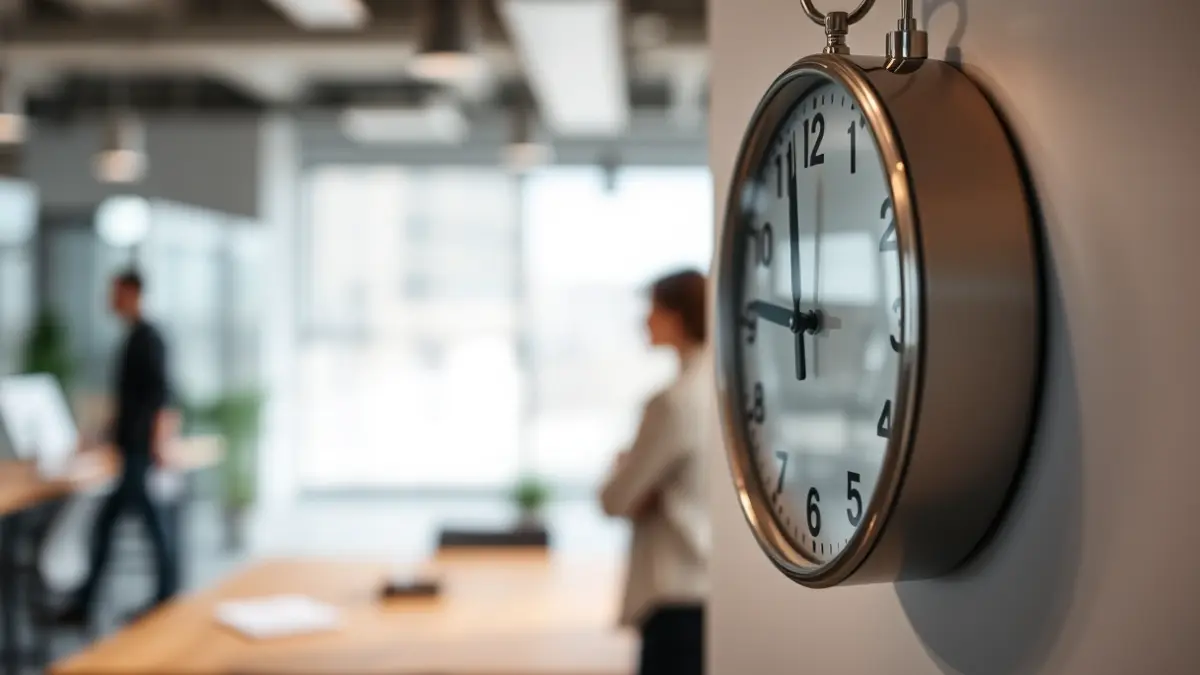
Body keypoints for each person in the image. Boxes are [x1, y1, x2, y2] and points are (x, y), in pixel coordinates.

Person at [600, 268, 713, 675]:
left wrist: (627, 470)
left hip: (675, 595)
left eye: (653, 308)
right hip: (709, 586)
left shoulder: (672, 403)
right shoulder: (720, 392)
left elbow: (614, 498)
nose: (644, 320)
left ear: (678, 315)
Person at [55, 269, 178, 626]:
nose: (109, 300)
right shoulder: (133, 338)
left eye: (115, 292)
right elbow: (129, 402)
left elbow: (161, 396)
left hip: (141, 450)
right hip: (129, 447)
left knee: (141, 527)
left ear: (132, 293)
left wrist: (160, 442)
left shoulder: (148, 338)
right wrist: (98, 435)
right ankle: (89, 603)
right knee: (115, 527)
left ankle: (164, 597)